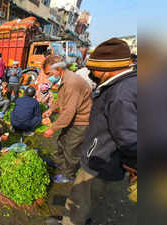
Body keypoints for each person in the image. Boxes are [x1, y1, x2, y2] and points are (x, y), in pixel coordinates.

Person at [46, 38, 137, 225]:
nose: (90, 73)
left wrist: (133, 164)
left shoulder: (121, 94)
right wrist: (51, 109)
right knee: (84, 196)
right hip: (101, 153)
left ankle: (71, 219)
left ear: (105, 68)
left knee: (81, 196)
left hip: (100, 159)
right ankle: (73, 217)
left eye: (93, 68)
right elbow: (61, 101)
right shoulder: (122, 85)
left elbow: (128, 137)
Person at [42, 56, 93, 183]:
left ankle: (68, 175)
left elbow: (69, 112)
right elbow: (60, 99)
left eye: (49, 73)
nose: (49, 77)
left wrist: (52, 128)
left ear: (58, 68)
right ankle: (59, 163)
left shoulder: (71, 82)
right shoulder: (65, 79)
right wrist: (51, 109)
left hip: (81, 121)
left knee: (71, 148)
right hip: (73, 119)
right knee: (62, 141)